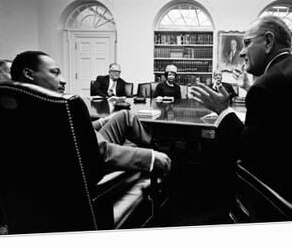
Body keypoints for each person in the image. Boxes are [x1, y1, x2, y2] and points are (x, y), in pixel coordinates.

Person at [190, 16, 292, 219]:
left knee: (218, 156)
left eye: (247, 43)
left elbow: (247, 153)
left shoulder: (269, 84)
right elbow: (283, 120)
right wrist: (249, 88)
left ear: (268, 42)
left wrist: (222, 110)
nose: (242, 52)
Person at [10, 51, 172, 176]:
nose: (64, 80)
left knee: (124, 115)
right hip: (87, 166)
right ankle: (158, 149)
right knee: (132, 127)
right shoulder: (58, 106)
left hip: (77, 154)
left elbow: (74, 132)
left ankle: (154, 144)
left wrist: (103, 121)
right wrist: (150, 157)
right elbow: (102, 151)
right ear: (29, 74)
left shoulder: (19, 105)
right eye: (55, 72)